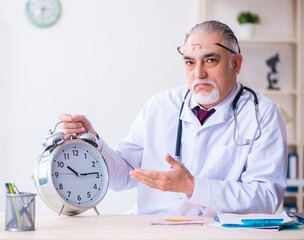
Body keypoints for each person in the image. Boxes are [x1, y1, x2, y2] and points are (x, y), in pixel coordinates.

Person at [60, 20, 287, 215]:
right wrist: (93, 141)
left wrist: (194, 187)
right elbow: (124, 178)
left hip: (216, 232)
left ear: (236, 64)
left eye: (210, 60)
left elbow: (267, 198)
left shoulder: (262, 114)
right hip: (150, 229)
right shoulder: (160, 107)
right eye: (190, 62)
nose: (198, 73)